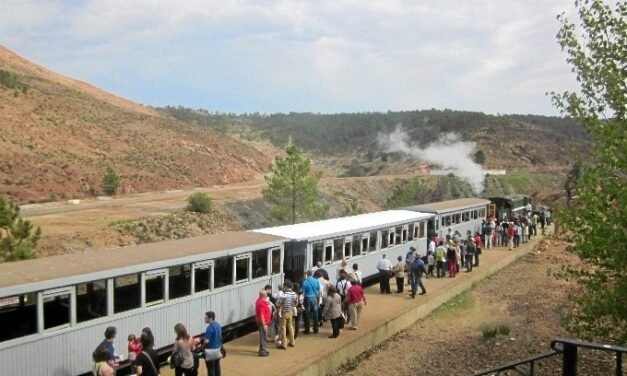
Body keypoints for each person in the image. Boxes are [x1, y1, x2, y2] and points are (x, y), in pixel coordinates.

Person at [276, 280, 297, 348]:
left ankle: (284, 344)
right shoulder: (294, 294)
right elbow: (296, 303)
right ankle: (292, 342)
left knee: (283, 328)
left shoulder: (284, 295)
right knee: (290, 327)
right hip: (290, 312)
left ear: (286, 286)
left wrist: (278, 304)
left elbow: (278, 304)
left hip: (284, 312)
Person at [301, 270, 321, 335]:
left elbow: (303, 293)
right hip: (314, 298)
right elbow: (318, 291)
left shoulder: (305, 282)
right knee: (315, 314)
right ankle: (316, 329)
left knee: (307, 314)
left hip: (307, 299)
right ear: (312, 274)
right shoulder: (316, 281)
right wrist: (318, 300)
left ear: (307, 274)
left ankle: (307, 330)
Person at [203, 311, 222, 376]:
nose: (205, 319)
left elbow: (206, 341)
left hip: (210, 351)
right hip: (218, 349)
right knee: (217, 367)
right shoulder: (218, 325)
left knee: (210, 369)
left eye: (206, 318)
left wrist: (203, 347)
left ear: (210, 318)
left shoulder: (209, 328)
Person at [255, 289, 271, 357]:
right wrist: (264, 324)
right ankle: (262, 351)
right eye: (266, 295)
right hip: (262, 323)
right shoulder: (261, 303)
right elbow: (261, 314)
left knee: (263, 336)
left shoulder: (260, 300)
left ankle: (262, 349)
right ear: (264, 296)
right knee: (263, 336)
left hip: (262, 322)